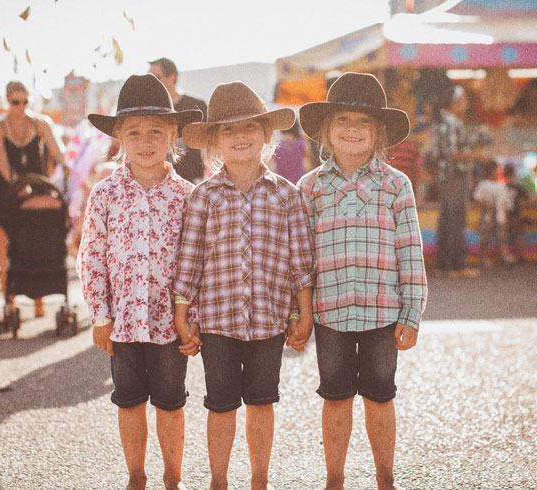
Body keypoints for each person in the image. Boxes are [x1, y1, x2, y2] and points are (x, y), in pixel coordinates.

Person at [173, 81, 314, 490]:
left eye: (249, 127)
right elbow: (190, 261)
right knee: (220, 405)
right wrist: (183, 315)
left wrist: (302, 314)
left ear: (266, 135)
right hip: (217, 322)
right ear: (215, 141)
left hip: (269, 322)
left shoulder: (287, 196)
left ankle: (259, 480)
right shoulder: (203, 196)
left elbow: (299, 262)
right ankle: (218, 480)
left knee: (262, 403)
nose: (240, 137)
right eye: (229, 130)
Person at [298, 72, 428, 490]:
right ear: (326, 131)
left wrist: (411, 313)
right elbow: (299, 260)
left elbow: (410, 252)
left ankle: (384, 478)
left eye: (363, 122)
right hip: (329, 312)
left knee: (380, 396)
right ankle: (334, 478)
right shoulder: (310, 187)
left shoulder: (395, 185)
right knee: (334, 397)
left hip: (383, 311)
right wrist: (297, 314)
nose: (352, 130)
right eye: (343, 121)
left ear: (379, 134)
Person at [77, 74, 202, 490]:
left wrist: (194, 317)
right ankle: (136, 475)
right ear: (119, 137)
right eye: (134, 133)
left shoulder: (188, 195)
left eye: (155, 132)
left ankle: (173, 476)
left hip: (171, 322)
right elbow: (91, 255)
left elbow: (197, 262)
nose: (145, 141)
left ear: (172, 134)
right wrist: (100, 314)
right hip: (124, 319)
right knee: (128, 401)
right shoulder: (105, 194)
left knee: (171, 400)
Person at [0, 80, 66, 317]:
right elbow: (2, 164)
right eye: (15, 102)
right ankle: (8, 301)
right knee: (4, 244)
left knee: (37, 241)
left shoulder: (41, 123)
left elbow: (57, 151)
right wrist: (19, 187)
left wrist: (69, 167)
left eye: (25, 101)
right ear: (7, 101)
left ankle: (38, 299)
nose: (21, 106)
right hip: (6, 192)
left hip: (37, 190)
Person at [432, 84, 480, 278]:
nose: (466, 105)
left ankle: (444, 265)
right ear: (455, 103)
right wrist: (476, 156)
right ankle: (456, 266)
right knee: (456, 219)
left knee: (447, 218)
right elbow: (453, 154)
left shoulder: (441, 122)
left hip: (445, 176)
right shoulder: (454, 123)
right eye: (463, 101)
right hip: (455, 176)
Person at [149, 57, 208, 183]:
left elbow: (211, 142)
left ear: (172, 78)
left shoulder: (196, 105)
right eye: (149, 79)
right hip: (160, 181)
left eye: (156, 78)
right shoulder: (149, 112)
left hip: (192, 179)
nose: (152, 83)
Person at [473, 161, 515, 266]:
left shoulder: (502, 186)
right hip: (487, 216)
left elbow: (506, 203)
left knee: (502, 237)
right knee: (485, 237)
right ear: (489, 171)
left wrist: (506, 216)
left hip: (500, 216)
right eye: (495, 170)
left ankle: (503, 256)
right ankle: (484, 258)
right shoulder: (483, 184)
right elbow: (477, 198)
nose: (497, 172)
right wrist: (485, 205)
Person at [503, 164, 531, 261]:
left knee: (505, 236)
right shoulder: (517, 186)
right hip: (515, 214)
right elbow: (528, 198)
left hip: (504, 215)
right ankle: (522, 256)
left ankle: (506, 257)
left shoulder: (503, 186)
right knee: (518, 236)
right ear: (513, 174)